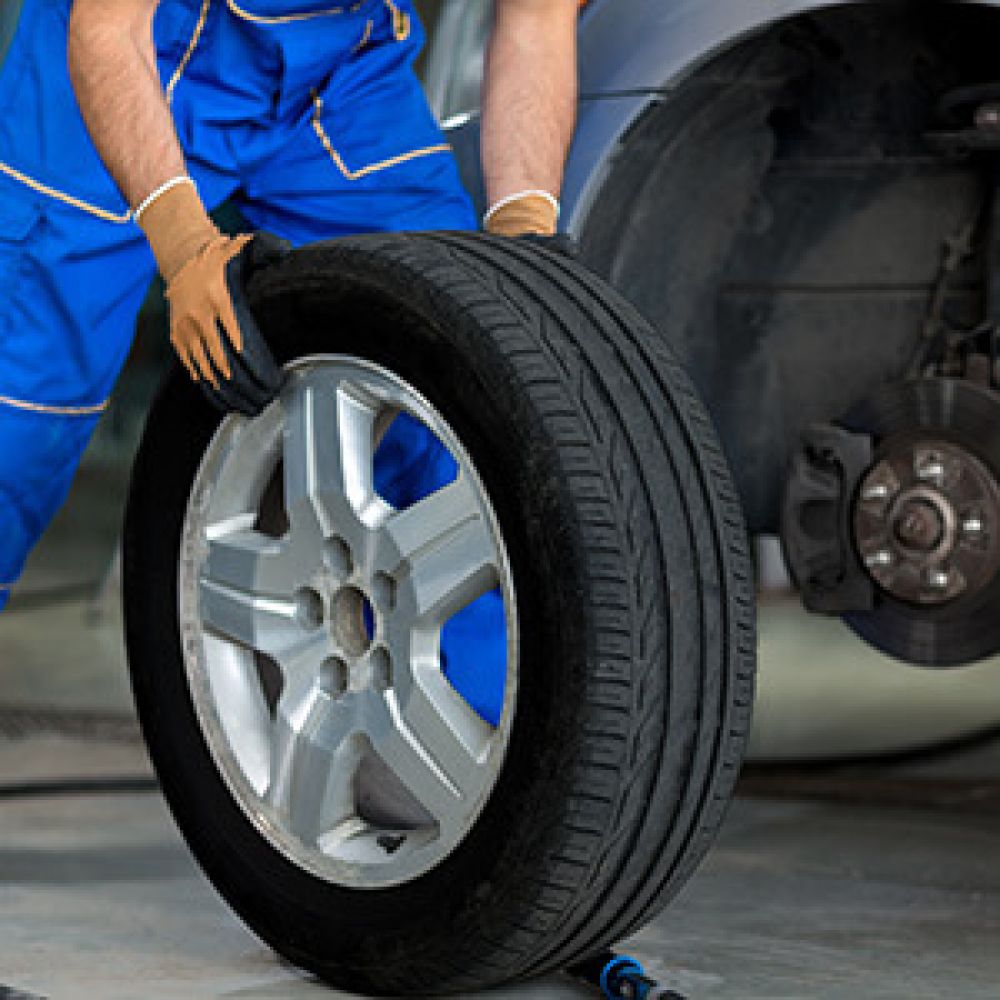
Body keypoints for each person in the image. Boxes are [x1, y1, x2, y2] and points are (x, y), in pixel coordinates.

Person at [0, 0, 579, 619]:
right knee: (24, 412)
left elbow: (537, 15)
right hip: (147, 43)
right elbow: (109, 30)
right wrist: (184, 244)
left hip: (341, 70)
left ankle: (487, 697)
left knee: (460, 388)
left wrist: (524, 231)